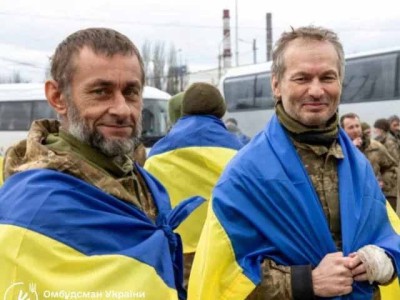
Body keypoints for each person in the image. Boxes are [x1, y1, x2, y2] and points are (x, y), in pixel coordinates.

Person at [189, 26, 399, 300]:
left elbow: (389, 233)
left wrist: (385, 261)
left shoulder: (358, 165)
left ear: (340, 83)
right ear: (276, 85)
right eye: (301, 78)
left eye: (327, 77)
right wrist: (305, 281)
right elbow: (224, 276)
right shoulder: (244, 174)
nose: (316, 90)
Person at [0, 28, 202, 299]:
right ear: (57, 97)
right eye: (101, 92)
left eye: (131, 92)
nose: (121, 109)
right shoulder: (30, 208)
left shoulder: (144, 180)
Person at [144, 82, 243, 288]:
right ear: (220, 111)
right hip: (224, 257)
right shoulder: (240, 154)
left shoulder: (155, 156)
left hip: (175, 260)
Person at [341, 113, 398, 210]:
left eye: (357, 126)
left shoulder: (375, 147)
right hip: (349, 198)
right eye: (350, 127)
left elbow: (391, 167)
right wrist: (350, 149)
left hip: (373, 196)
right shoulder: (338, 149)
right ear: (343, 130)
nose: (355, 130)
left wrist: (383, 182)